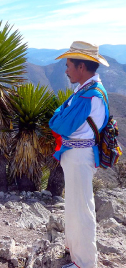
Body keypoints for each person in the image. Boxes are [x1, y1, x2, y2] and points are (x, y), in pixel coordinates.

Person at [49, 41, 110, 268]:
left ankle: (85, 263)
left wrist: (61, 114)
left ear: (81, 67)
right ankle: (74, 251)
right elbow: (61, 116)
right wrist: (62, 113)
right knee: (74, 204)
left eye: (68, 65)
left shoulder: (88, 96)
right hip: (78, 154)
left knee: (82, 207)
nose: (65, 70)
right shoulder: (85, 90)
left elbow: (58, 123)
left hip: (79, 155)